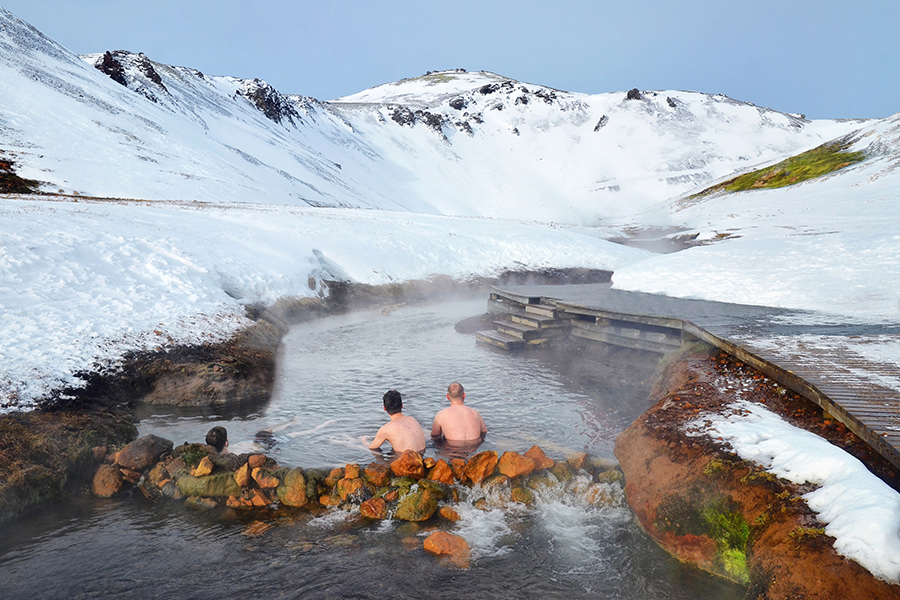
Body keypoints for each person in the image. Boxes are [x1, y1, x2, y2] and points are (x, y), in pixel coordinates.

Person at [362, 389, 426, 453]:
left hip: (407, 459)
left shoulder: (386, 429)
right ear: (402, 405)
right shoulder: (413, 420)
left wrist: (363, 440)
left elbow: (372, 447)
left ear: (384, 408)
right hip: (422, 456)